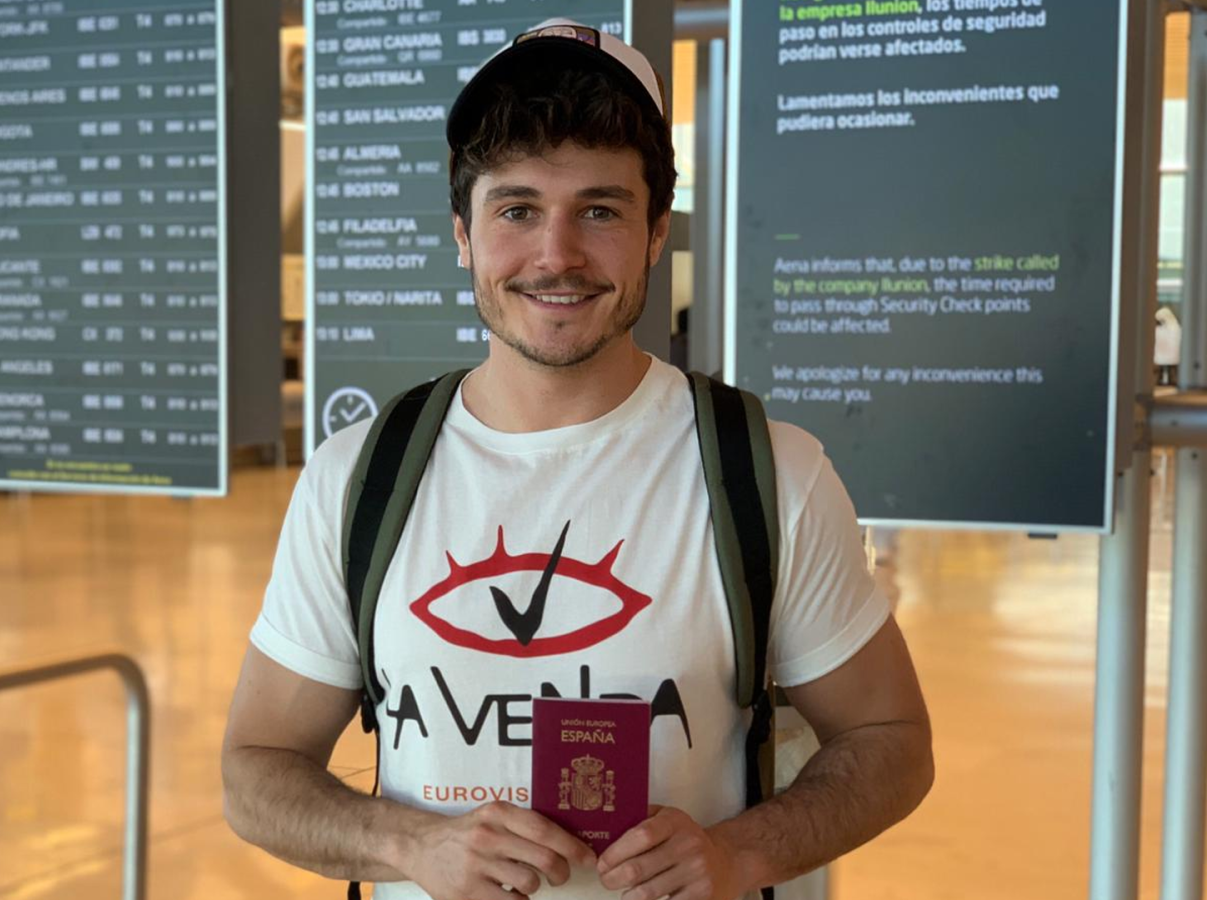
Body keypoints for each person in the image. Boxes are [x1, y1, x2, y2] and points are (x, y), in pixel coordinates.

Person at [224, 20, 932, 900]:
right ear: (462, 233)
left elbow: (891, 739)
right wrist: (411, 846)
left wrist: (742, 853)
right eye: (516, 209)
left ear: (656, 231)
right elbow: (255, 769)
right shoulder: (356, 478)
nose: (555, 255)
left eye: (599, 210)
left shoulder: (765, 475)